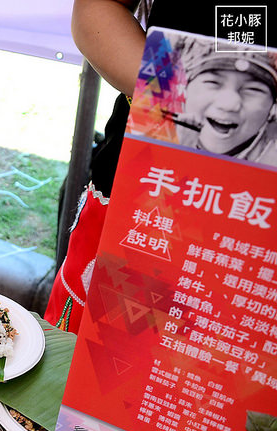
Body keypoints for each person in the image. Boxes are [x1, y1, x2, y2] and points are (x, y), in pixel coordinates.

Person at [44, 0, 277, 332]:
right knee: (93, 365)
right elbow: (97, 9)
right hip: (148, 186)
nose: (230, 102)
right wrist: (178, 100)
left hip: (259, 246)